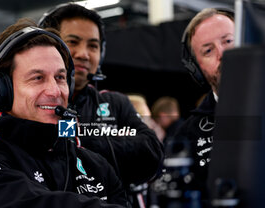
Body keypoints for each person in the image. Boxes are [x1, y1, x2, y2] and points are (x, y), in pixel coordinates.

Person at [0, 18, 150, 208]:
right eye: (37, 78)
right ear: (2, 92)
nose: (55, 91)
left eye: (60, 78)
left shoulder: (95, 165)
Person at [38, 3, 164, 190]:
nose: (84, 54)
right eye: (73, 42)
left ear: (102, 53)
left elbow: (152, 153)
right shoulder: (33, 104)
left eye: (93, 46)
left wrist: (80, 139)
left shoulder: (116, 104)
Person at [173, 8, 235, 185]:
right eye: (208, 51)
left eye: (229, 41)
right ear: (197, 70)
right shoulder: (186, 135)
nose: (222, 55)